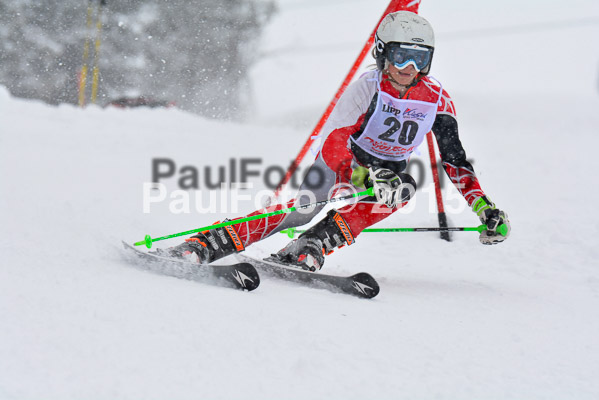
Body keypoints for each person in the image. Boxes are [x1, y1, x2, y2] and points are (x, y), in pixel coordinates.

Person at [158, 11, 511, 270]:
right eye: (400, 55)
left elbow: (455, 160)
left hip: (386, 174)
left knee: (404, 187)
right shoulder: (366, 88)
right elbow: (336, 142)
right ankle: (205, 244)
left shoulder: (436, 98)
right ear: (382, 53)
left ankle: (312, 245)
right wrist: (367, 175)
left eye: (419, 59)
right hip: (338, 163)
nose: (408, 67)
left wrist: (484, 209)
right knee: (298, 212)